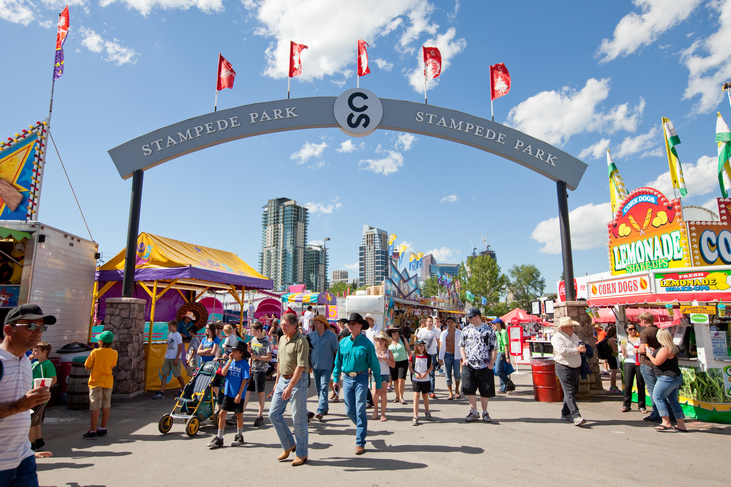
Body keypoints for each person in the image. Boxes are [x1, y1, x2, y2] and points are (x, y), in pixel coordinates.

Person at [0, 304, 55, 487]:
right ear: (9, 329)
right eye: (31, 326)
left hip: (23, 460)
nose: (38, 332)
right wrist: (21, 405)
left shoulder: (25, 361)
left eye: (41, 327)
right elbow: (20, 406)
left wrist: (28, 451)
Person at [332, 313, 381, 456]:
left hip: (361, 377)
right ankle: (363, 426)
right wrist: (336, 378)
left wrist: (377, 383)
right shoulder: (343, 343)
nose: (350, 326)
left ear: (360, 326)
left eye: (353, 323)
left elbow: (375, 365)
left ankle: (360, 442)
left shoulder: (367, 344)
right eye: (349, 323)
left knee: (360, 409)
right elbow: (337, 363)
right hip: (347, 379)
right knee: (349, 411)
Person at [268, 312, 309, 466]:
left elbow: (301, 366)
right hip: (282, 380)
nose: (282, 328)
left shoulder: (301, 341)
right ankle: (288, 444)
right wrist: (277, 382)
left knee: (298, 418)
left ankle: (302, 453)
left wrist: (290, 386)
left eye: (286, 325)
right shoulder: (283, 339)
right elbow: (279, 362)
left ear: (294, 326)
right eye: (282, 325)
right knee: (273, 414)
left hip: (297, 381)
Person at [207, 340, 250, 448]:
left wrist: (239, 394)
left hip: (238, 394)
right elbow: (223, 373)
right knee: (222, 413)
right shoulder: (231, 362)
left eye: (234, 351)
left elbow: (245, 380)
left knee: (239, 414)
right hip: (228, 392)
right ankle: (219, 437)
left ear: (241, 353)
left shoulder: (244, 364)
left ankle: (239, 435)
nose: (232, 352)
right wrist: (229, 361)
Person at [645, 329, 687, 432]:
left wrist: (649, 355)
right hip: (676, 377)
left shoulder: (665, 349)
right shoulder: (673, 348)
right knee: (673, 400)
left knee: (657, 397)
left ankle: (665, 421)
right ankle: (681, 424)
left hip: (666, 377)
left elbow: (657, 362)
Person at [459, 308, 497, 422]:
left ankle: (485, 411)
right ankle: (473, 411)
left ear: (477, 316)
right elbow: (462, 345)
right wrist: (464, 359)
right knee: (469, 388)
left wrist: (492, 363)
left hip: (484, 364)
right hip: (470, 363)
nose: (469, 319)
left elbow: (494, 347)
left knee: (485, 389)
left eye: (470, 317)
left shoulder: (488, 329)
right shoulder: (466, 329)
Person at [551, 316, 587, 427]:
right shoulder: (557, 337)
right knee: (569, 392)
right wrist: (577, 350)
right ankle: (576, 415)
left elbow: (579, 344)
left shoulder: (573, 336)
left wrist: (582, 347)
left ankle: (565, 413)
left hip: (575, 367)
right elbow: (562, 350)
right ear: (563, 328)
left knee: (573, 391)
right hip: (564, 367)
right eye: (571, 327)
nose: (573, 329)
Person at [82, 331, 118, 439]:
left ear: (101, 342)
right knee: (106, 405)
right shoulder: (114, 353)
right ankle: (103, 427)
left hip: (96, 381)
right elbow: (112, 365)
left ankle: (93, 430)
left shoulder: (95, 352)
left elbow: (87, 366)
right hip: (108, 381)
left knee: (95, 406)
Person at [638, 312, 670, 424]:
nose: (640, 323)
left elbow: (643, 349)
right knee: (660, 391)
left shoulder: (644, 332)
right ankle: (665, 413)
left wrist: (637, 350)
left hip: (647, 363)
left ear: (644, 321)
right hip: (659, 363)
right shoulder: (659, 331)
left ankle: (657, 413)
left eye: (641, 321)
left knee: (653, 391)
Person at [308, 315, 338, 422]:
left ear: (323, 324)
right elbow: (308, 351)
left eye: (317, 323)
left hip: (327, 366)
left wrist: (338, 367)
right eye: (314, 322)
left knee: (324, 387)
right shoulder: (311, 335)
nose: (314, 324)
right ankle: (325, 407)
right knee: (318, 389)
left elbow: (336, 351)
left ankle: (320, 410)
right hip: (315, 366)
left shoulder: (331, 336)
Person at [28, 342, 56, 451]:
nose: (33, 352)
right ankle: (39, 441)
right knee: (35, 420)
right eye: (33, 350)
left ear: (44, 352)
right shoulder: (34, 364)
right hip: (32, 394)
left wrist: (44, 388)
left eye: (36, 350)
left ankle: (31, 444)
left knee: (30, 420)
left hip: (40, 396)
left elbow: (53, 378)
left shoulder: (47, 364)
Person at [245, 321, 271, 427]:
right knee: (247, 391)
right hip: (251, 368)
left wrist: (257, 357)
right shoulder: (253, 340)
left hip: (260, 370)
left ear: (259, 330)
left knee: (260, 392)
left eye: (253, 330)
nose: (252, 332)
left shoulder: (266, 342)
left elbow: (269, 357)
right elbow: (251, 352)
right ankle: (241, 411)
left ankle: (260, 415)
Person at [153, 321, 185, 400]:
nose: (169, 328)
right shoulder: (170, 335)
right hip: (168, 357)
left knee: (177, 374)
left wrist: (177, 358)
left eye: (170, 326)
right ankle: (161, 392)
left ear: (174, 326)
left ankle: (184, 388)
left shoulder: (178, 335)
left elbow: (180, 347)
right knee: (164, 374)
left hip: (174, 357)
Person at [621, 323, 646, 413]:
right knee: (628, 384)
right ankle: (626, 404)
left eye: (634, 328)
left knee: (641, 384)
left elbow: (644, 349)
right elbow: (625, 355)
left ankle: (642, 405)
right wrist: (623, 349)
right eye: (631, 329)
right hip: (629, 362)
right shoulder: (624, 341)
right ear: (627, 330)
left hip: (639, 362)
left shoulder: (640, 339)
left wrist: (638, 350)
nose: (633, 331)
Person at [409, 339, 432, 426]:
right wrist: (415, 373)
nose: (421, 347)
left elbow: (431, 367)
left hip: (425, 379)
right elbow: (410, 368)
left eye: (422, 346)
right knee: (416, 396)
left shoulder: (427, 356)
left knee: (425, 396)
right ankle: (415, 416)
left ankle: (427, 411)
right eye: (419, 346)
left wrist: (426, 373)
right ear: (416, 347)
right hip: (416, 379)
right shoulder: (413, 356)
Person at [372, 331, 394, 422]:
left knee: (383, 394)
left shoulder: (389, 352)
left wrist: (386, 359)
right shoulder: (374, 351)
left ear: (385, 342)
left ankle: (383, 413)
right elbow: (369, 364)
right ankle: (376, 409)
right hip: (375, 374)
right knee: (375, 393)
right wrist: (375, 360)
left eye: (381, 340)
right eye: (378, 340)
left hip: (385, 374)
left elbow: (393, 365)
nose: (379, 342)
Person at [438, 317, 462, 400]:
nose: (450, 323)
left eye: (451, 322)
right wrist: (440, 357)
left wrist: (463, 356)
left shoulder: (459, 332)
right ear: (446, 323)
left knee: (457, 374)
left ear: (454, 323)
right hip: (447, 354)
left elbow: (462, 345)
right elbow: (441, 345)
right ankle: (450, 393)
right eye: (448, 322)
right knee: (448, 375)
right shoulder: (444, 333)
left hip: (456, 355)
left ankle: (457, 389)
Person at [416, 316, 439, 399]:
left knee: (432, 373)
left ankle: (431, 391)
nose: (430, 323)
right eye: (429, 321)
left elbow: (438, 343)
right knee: (422, 371)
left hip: (432, 354)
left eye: (431, 321)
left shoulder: (435, 332)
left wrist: (440, 355)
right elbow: (417, 342)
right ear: (426, 322)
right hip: (423, 354)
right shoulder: (421, 331)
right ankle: (422, 389)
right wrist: (416, 353)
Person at [388, 326, 411, 404]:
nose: (395, 332)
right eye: (393, 331)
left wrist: (412, 360)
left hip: (403, 361)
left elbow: (408, 349)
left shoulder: (402, 339)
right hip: (393, 362)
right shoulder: (388, 340)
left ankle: (401, 396)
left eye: (397, 331)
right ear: (390, 332)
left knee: (401, 379)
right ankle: (397, 396)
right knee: (395, 380)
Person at [491, 318, 515, 394]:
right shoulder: (497, 332)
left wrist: (507, 356)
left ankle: (509, 383)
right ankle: (503, 387)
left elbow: (506, 345)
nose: (493, 325)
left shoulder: (504, 332)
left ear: (498, 324)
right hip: (498, 352)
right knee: (500, 370)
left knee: (498, 370)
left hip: (502, 353)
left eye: (494, 324)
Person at [603, 325, 620, 393]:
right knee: (614, 372)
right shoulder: (612, 340)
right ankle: (613, 386)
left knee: (613, 372)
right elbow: (614, 350)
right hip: (613, 356)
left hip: (609, 356)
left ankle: (612, 386)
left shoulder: (607, 339)